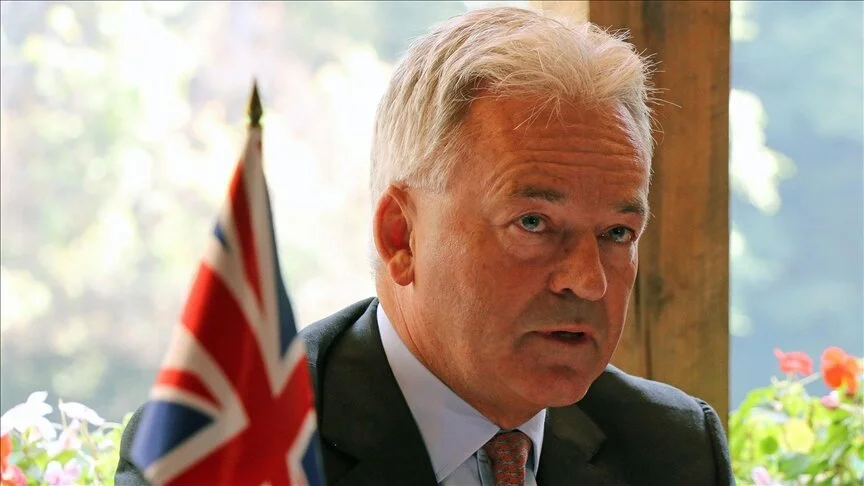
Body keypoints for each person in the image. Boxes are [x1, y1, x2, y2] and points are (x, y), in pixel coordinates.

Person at [117, 6, 734, 485]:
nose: (588, 280)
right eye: (533, 223)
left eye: (617, 233)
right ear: (400, 236)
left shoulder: (673, 448)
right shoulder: (228, 442)